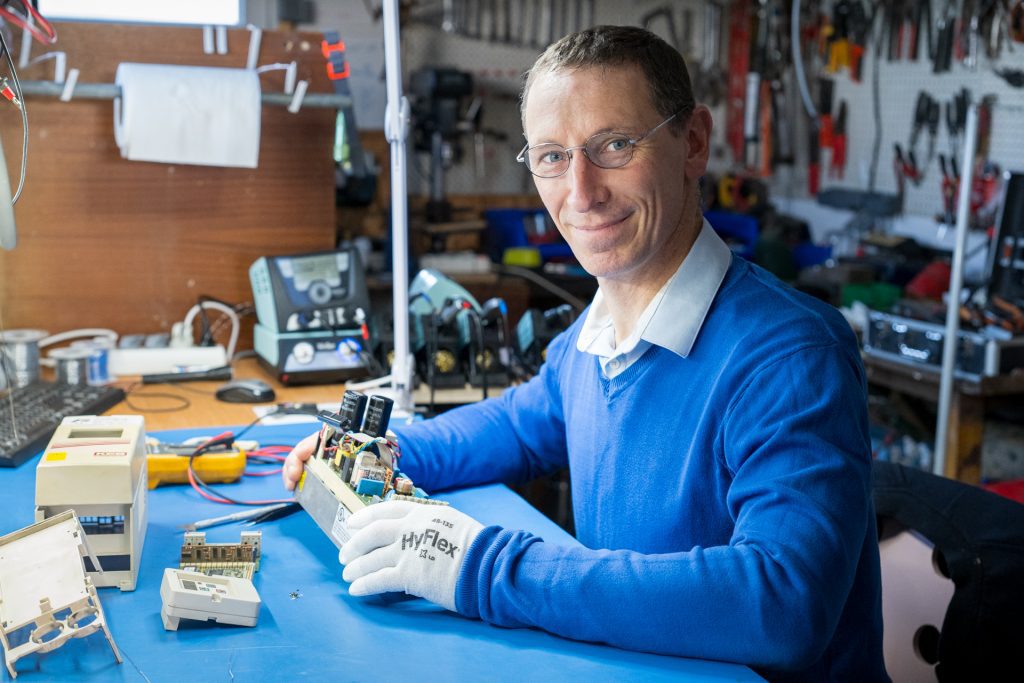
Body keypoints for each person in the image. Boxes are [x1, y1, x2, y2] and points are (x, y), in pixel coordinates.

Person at [284, 25, 889, 681]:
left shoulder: (791, 355)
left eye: (615, 145)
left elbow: (783, 602)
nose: (581, 191)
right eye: (551, 156)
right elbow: (517, 423)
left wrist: (483, 568)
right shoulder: (592, 338)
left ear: (692, 143)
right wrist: (378, 453)